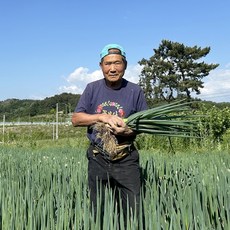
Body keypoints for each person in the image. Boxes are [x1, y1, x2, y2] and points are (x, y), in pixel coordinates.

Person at [72, 44, 147, 224]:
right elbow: (76, 119)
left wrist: (126, 130)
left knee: (133, 213)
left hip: (126, 158)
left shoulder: (135, 91)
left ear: (125, 65)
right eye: (108, 64)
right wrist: (102, 117)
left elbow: (143, 124)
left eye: (117, 63)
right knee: (99, 212)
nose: (112, 68)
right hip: (98, 158)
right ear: (101, 66)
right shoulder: (92, 88)